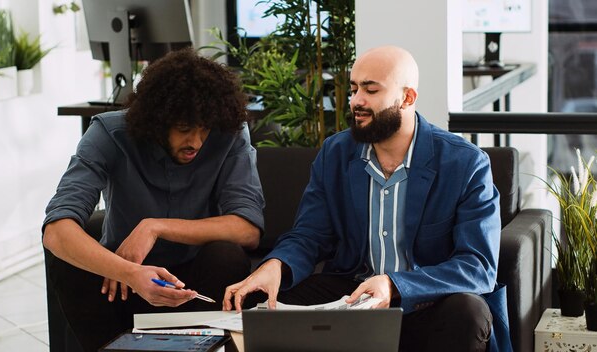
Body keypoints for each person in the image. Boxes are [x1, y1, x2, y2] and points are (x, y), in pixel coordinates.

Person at [224, 45, 512, 351]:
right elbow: (310, 234)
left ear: (407, 98)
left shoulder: (465, 163)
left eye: (370, 90)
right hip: (353, 295)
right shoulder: (336, 153)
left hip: (429, 301)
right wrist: (275, 266)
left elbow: (477, 266)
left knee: (468, 311)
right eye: (354, 88)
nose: (356, 101)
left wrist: (395, 285)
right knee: (262, 303)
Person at [43, 48, 264, 351]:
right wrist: (129, 273)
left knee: (227, 255)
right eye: (185, 129)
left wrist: (155, 227)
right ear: (157, 120)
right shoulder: (108, 134)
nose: (196, 142)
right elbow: (56, 230)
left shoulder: (229, 133)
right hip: (120, 283)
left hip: (193, 286)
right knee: (69, 264)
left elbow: (248, 228)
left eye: (204, 130)